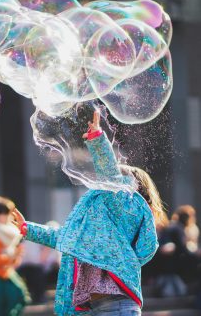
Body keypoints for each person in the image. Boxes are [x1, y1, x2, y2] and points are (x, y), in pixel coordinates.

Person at [13, 110, 164, 315]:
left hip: (116, 306)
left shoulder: (123, 206)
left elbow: (110, 175)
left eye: (115, 179)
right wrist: (26, 228)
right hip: (93, 307)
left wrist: (97, 140)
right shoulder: (100, 223)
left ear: (129, 188)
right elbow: (65, 237)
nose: (100, 182)